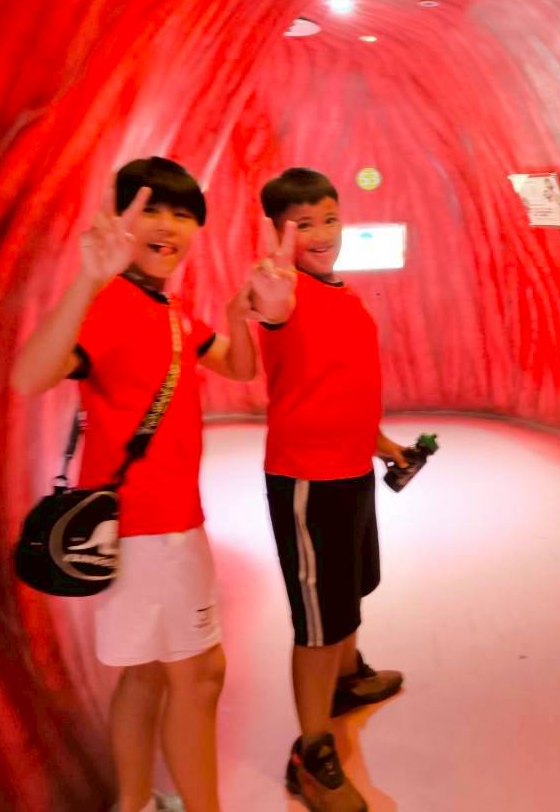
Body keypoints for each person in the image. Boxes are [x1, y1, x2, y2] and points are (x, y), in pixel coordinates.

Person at [12, 157, 264, 812]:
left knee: (146, 674)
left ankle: (133, 802)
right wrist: (87, 280)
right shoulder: (113, 304)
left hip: (146, 527)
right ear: (120, 220)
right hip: (158, 530)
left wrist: (237, 314)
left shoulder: (169, 311)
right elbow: (30, 376)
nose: (168, 226)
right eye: (151, 209)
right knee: (199, 676)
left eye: (182, 213)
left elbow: (239, 366)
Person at [252, 167, 407, 812]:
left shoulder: (343, 297)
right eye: (303, 224)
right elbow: (271, 309)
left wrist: (384, 445)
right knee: (317, 621)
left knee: (350, 587)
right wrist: (270, 289)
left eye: (329, 219)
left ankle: (346, 679)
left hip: (352, 471)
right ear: (278, 231)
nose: (321, 234)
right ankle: (311, 752)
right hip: (307, 481)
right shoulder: (284, 292)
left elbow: (345, 390)